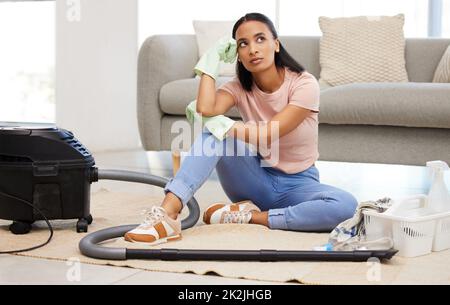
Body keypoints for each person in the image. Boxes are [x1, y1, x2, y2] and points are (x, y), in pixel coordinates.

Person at [124, 12, 358, 245]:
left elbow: (269, 132)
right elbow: (206, 108)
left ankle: (251, 217)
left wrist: (225, 125)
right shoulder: (238, 87)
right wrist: (210, 62)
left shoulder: (304, 84)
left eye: (260, 39)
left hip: (298, 186)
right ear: (238, 54)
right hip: (255, 179)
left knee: (346, 206)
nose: (252, 49)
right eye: (243, 44)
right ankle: (167, 216)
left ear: (275, 45)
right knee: (214, 134)